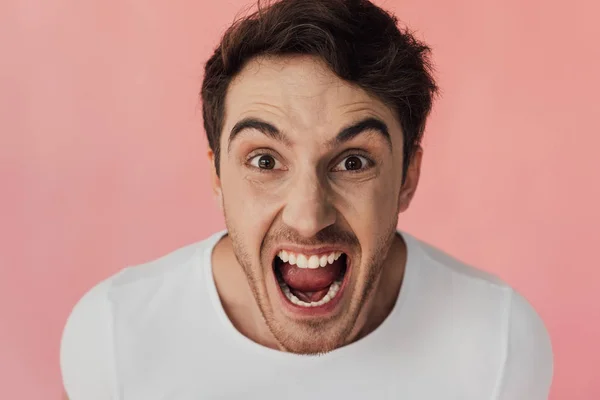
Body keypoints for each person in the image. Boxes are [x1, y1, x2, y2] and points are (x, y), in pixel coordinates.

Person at [60, 0, 554, 398]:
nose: (308, 216)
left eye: (354, 162)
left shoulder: (499, 341)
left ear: (407, 178)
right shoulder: (112, 337)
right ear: (216, 174)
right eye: (265, 161)